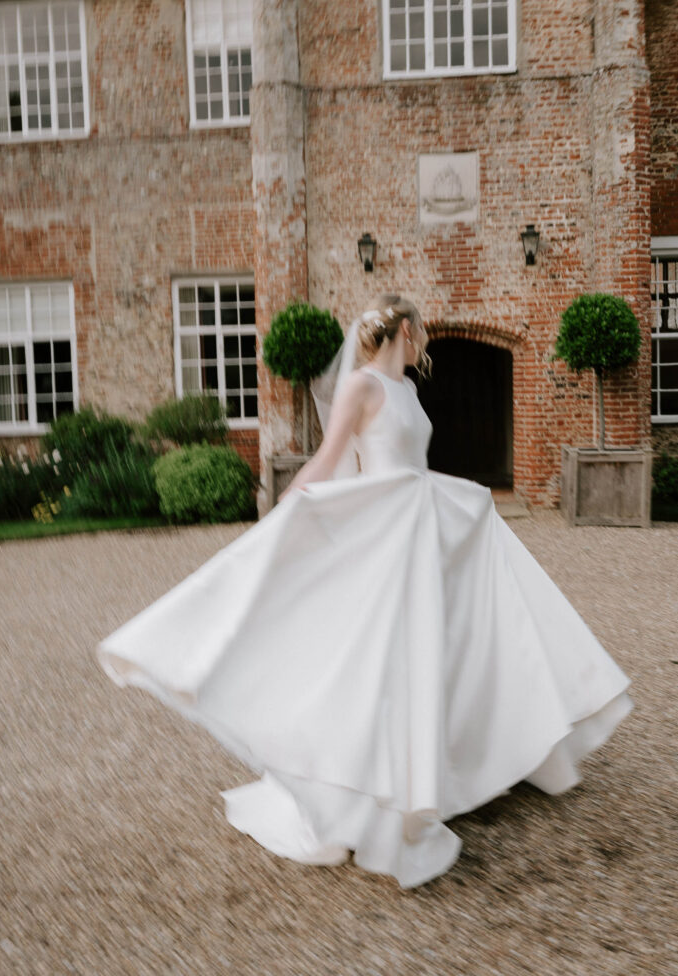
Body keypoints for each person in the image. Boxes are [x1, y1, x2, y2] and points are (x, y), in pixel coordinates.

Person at [98, 294, 632, 889]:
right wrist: (285, 517)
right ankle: (377, 786)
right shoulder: (362, 387)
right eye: (422, 327)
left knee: (453, 636)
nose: (426, 336)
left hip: (422, 521)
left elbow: (410, 460)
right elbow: (329, 461)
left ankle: (458, 760)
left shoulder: (406, 388)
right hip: (386, 529)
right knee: (385, 654)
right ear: (404, 328)